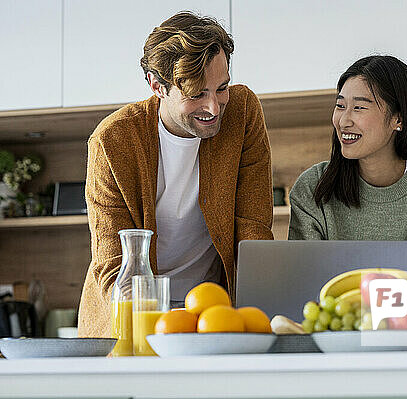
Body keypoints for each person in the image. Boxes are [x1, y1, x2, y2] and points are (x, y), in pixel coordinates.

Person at [78, 12, 273, 338]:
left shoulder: (241, 111)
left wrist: (259, 313)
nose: (213, 107)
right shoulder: (112, 141)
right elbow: (112, 262)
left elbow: (252, 231)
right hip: (131, 318)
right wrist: (146, 324)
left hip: (213, 315)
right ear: (158, 85)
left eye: (221, 87)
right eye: (196, 94)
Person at [288, 56, 407, 328]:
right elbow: (302, 297)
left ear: (398, 119)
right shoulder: (313, 188)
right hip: (331, 356)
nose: (343, 120)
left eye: (359, 108)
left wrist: (390, 333)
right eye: (340, 106)